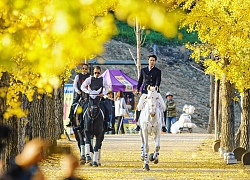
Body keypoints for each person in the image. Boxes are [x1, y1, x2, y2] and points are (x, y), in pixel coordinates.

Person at [134, 54, 167, 132]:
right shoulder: (143, 70)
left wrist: (156, 87)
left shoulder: (158, 71)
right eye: (151, 60)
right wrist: (138, 89)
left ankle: (163, 125)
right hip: (145, 92)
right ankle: (138, 124)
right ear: (148, 61)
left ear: (155, 62)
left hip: (155, 91)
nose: (152, 62)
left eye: (153, 60)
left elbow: (158, 80)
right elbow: (140, 80)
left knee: (163, 106)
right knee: (139, 106)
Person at [80, 66, 113, 132]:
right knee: (82, 107)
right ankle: (81, 124)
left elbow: (107, 88)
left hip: (99, 99)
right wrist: (88, 92)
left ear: (100, 72)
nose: (97, 74)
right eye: (95, 73)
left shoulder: (103, 80)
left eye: (98, 73)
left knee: (106, 109)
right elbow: (82, 87)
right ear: (93, 72)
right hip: (90, 99)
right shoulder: (89, 79)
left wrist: (103, 94)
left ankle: (106, 125)